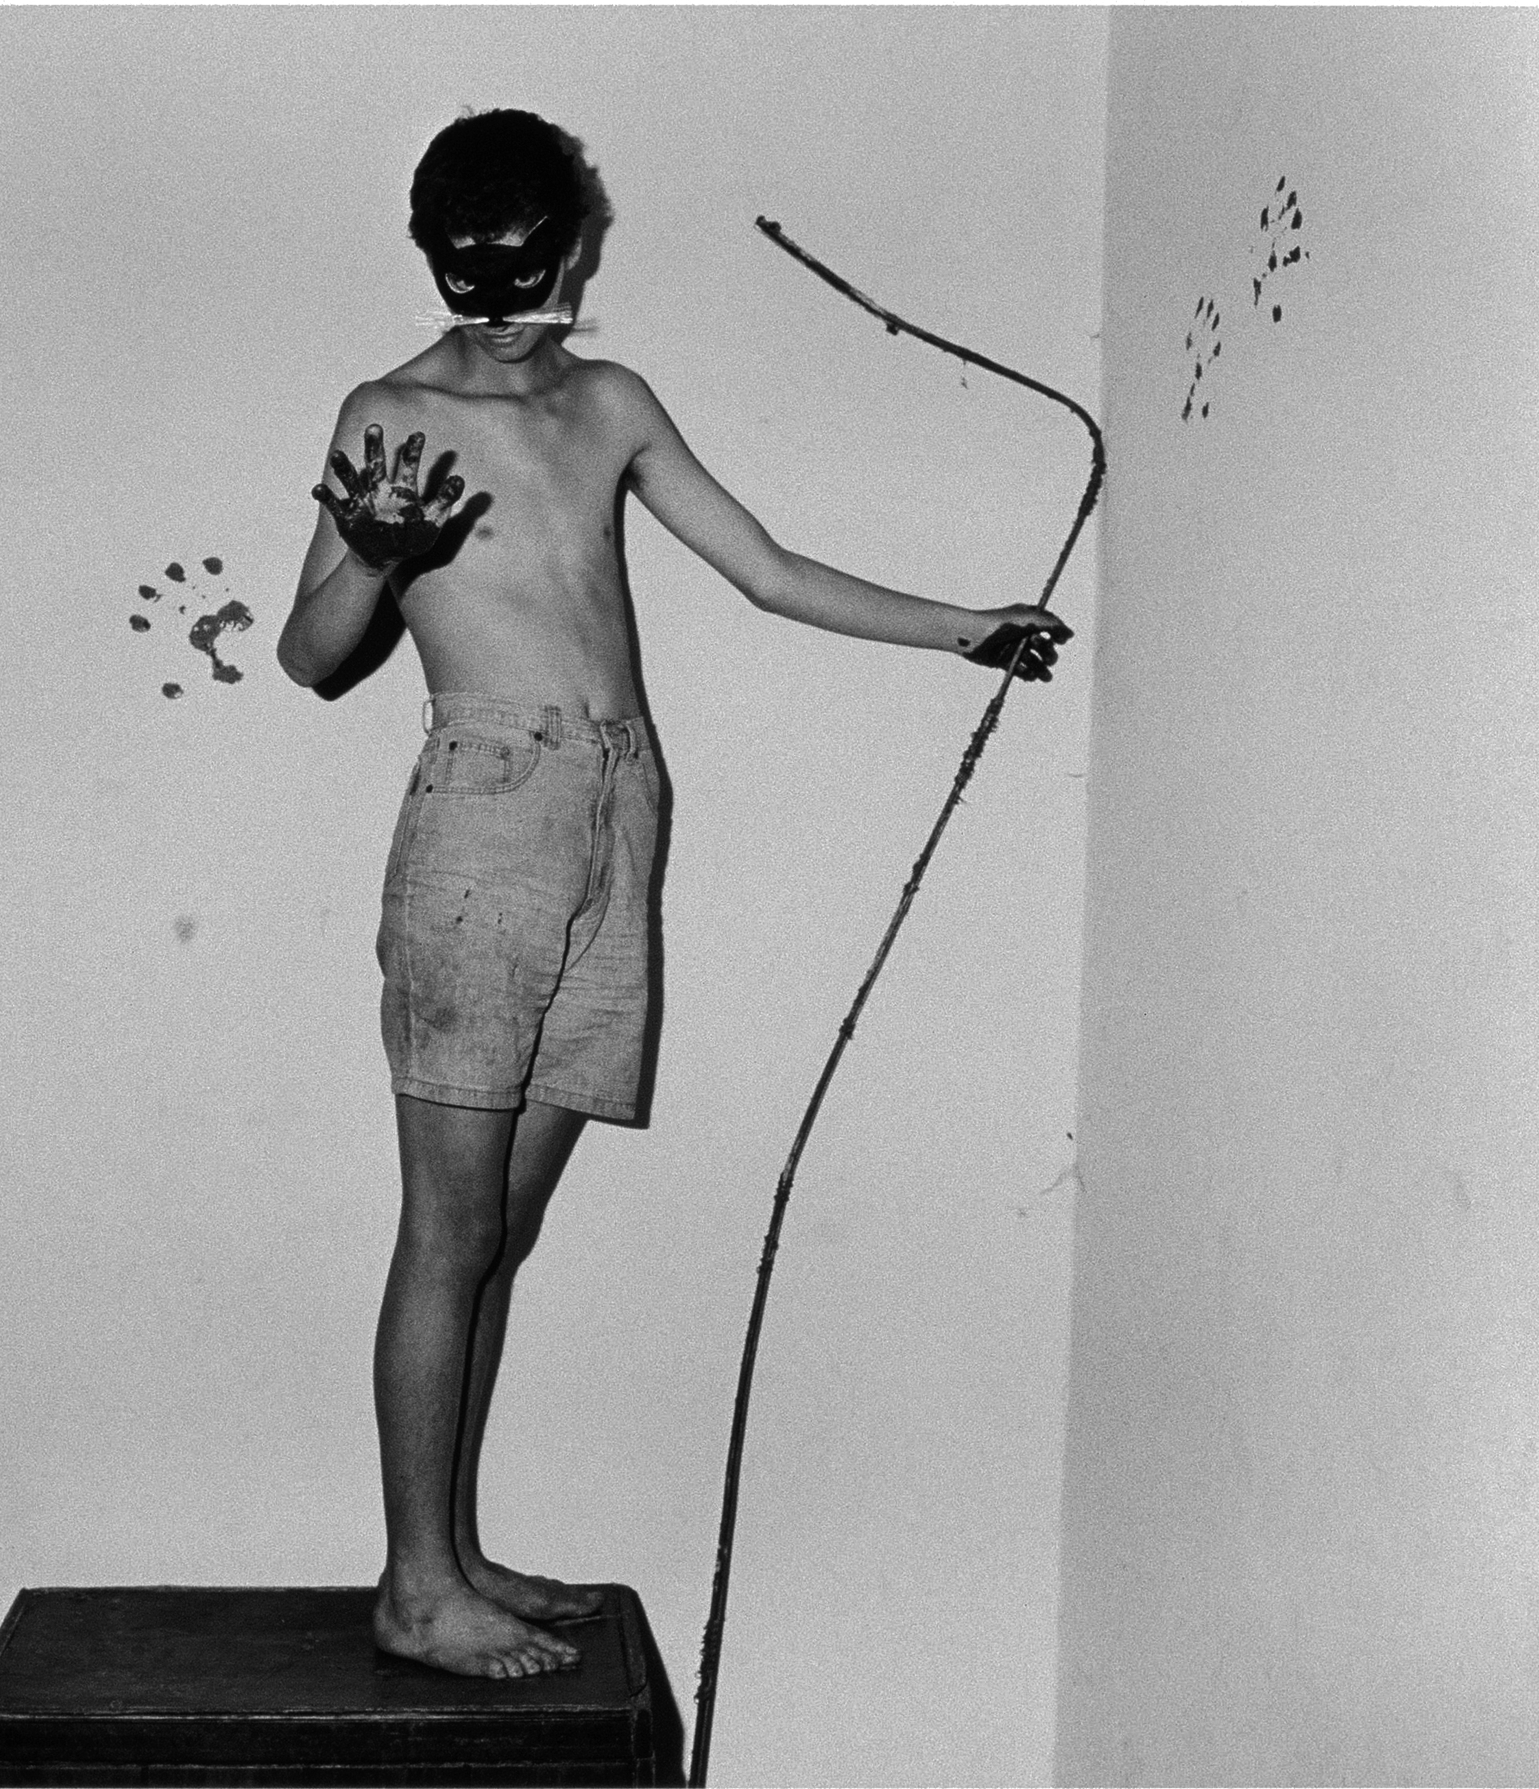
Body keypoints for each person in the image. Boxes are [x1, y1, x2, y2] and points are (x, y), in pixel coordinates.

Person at [277, 108, 1070, 1682]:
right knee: (448, 1227)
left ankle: (453, 1549)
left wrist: (961, 626)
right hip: (482, 824)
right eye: (474, 277)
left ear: (574, 249)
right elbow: (310, 657)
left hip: (618, 810)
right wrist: (368, 557)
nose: (509, 308)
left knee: (500, 1227)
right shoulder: (392, 412)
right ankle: (414, 1585)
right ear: (437, 258)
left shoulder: (612, 401)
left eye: (531, 271)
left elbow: (763, 569)